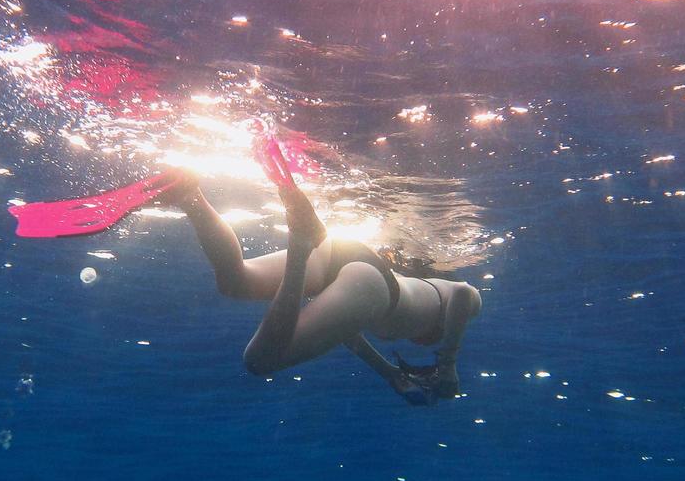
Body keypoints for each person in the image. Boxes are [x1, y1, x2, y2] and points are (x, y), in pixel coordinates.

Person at [160, 154, 482, 405]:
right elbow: (466, 294)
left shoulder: (407, 295)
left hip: (342, 255)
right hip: (376, 285)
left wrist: (388, 374)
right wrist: (449, 364)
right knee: (260, 361)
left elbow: (348, 331)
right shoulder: (443, 294)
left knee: (235, 281)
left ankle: (191, 197)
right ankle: (300, 243)